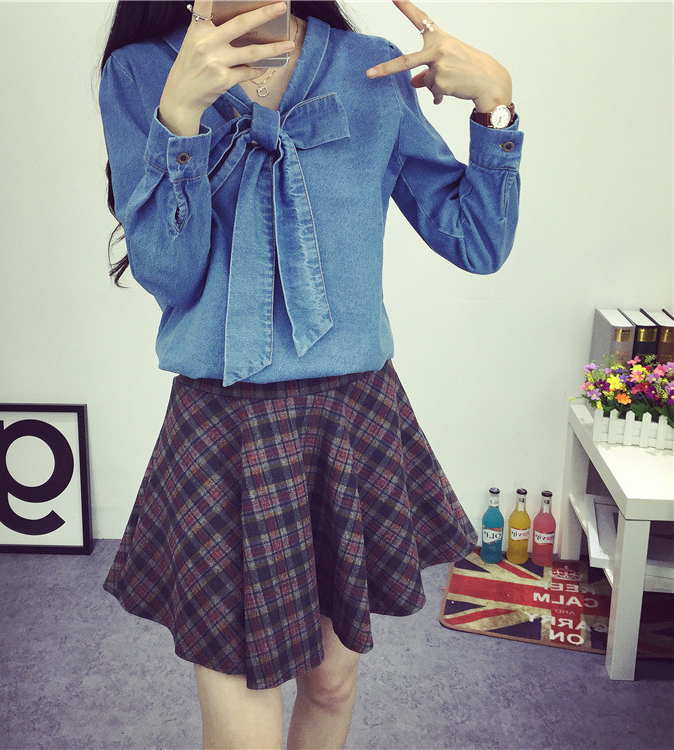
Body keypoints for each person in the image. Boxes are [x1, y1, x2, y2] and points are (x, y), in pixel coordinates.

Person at [98, 0, 522, 747]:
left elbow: (476, 242)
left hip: (352, 416)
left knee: (331, 681)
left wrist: (496, 106)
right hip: (224, 428)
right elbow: (170, 277)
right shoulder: (140, 74)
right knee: (242, 700)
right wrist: (180, 120)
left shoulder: (371, 68)